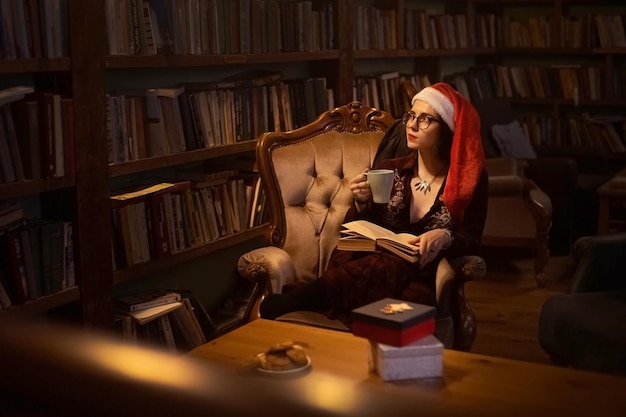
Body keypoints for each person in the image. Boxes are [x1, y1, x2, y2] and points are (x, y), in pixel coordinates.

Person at [260, 82, 489, 327]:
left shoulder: (468, 181)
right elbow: (355, 229)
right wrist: (361, 202)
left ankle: (309, 297)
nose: (411, 125)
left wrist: (445, 237)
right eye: (411, 115)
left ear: (446, 130)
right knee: (388, 264)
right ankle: (309, 300)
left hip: (422, 272)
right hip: (371, 265)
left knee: (413, 305)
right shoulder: (392, 169)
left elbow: (472, 239)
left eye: (425, 120)